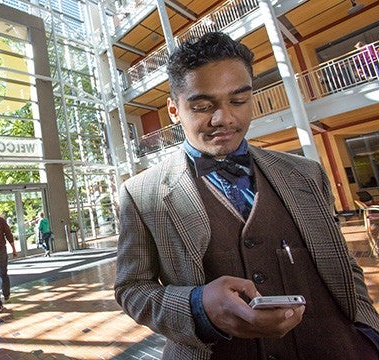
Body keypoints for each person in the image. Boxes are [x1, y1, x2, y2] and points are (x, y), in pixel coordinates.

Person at [114, 32, 379, 359]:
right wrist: (197, 307)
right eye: (201, 106)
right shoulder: (140, 194)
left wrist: (368, 334)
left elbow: (343, 265)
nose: (224, 118)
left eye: (238, 101)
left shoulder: (307, 174)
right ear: (173, 109)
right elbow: (132, 290)